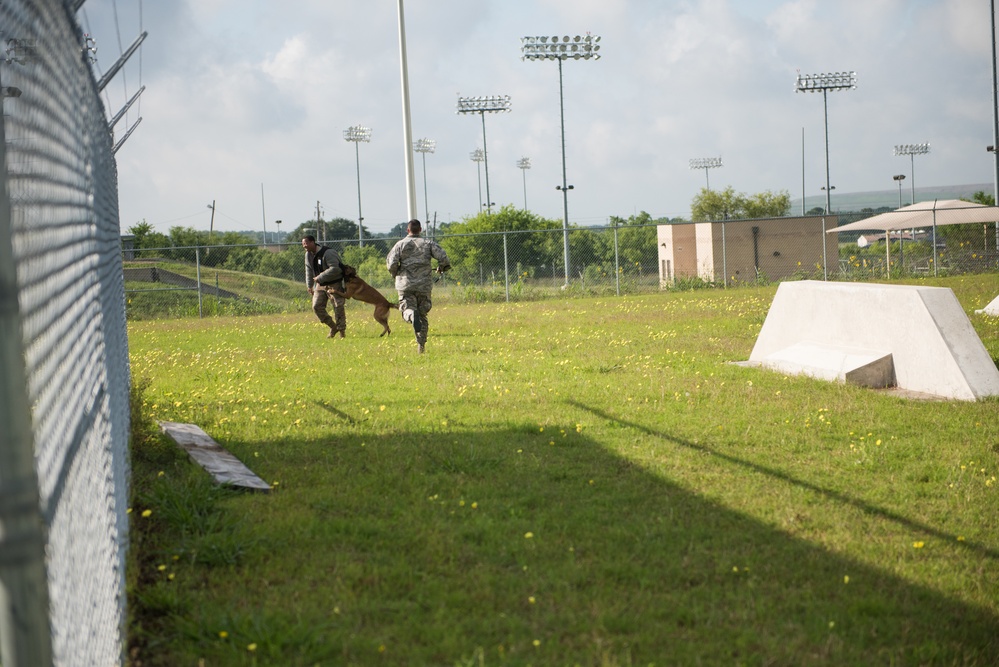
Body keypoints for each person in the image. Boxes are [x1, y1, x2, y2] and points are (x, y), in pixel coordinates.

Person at [386, 219, 450, 354]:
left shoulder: (400, 245)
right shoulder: (428, 243)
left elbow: (391, 263)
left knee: (406, 309)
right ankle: (421, 347)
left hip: (405, 284)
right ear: (420, 230)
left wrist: (395, 273)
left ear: (408, 230)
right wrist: (441, 268)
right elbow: (443, 257)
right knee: (422, 315)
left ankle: (410, 315)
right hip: (424, 285)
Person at [302, 235, 346, 338]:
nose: (305, 246)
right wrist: (310, 285)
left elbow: (336, 268)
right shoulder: (308, 255)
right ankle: (333, 327)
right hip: (320, 285)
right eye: (303, 244)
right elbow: (308, 270)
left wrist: (320, 277)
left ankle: (342, 332)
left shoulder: (328, 253)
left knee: (338, 307)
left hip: (334, 283)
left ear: (313, 242)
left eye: (306, 243)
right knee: (316, 306)